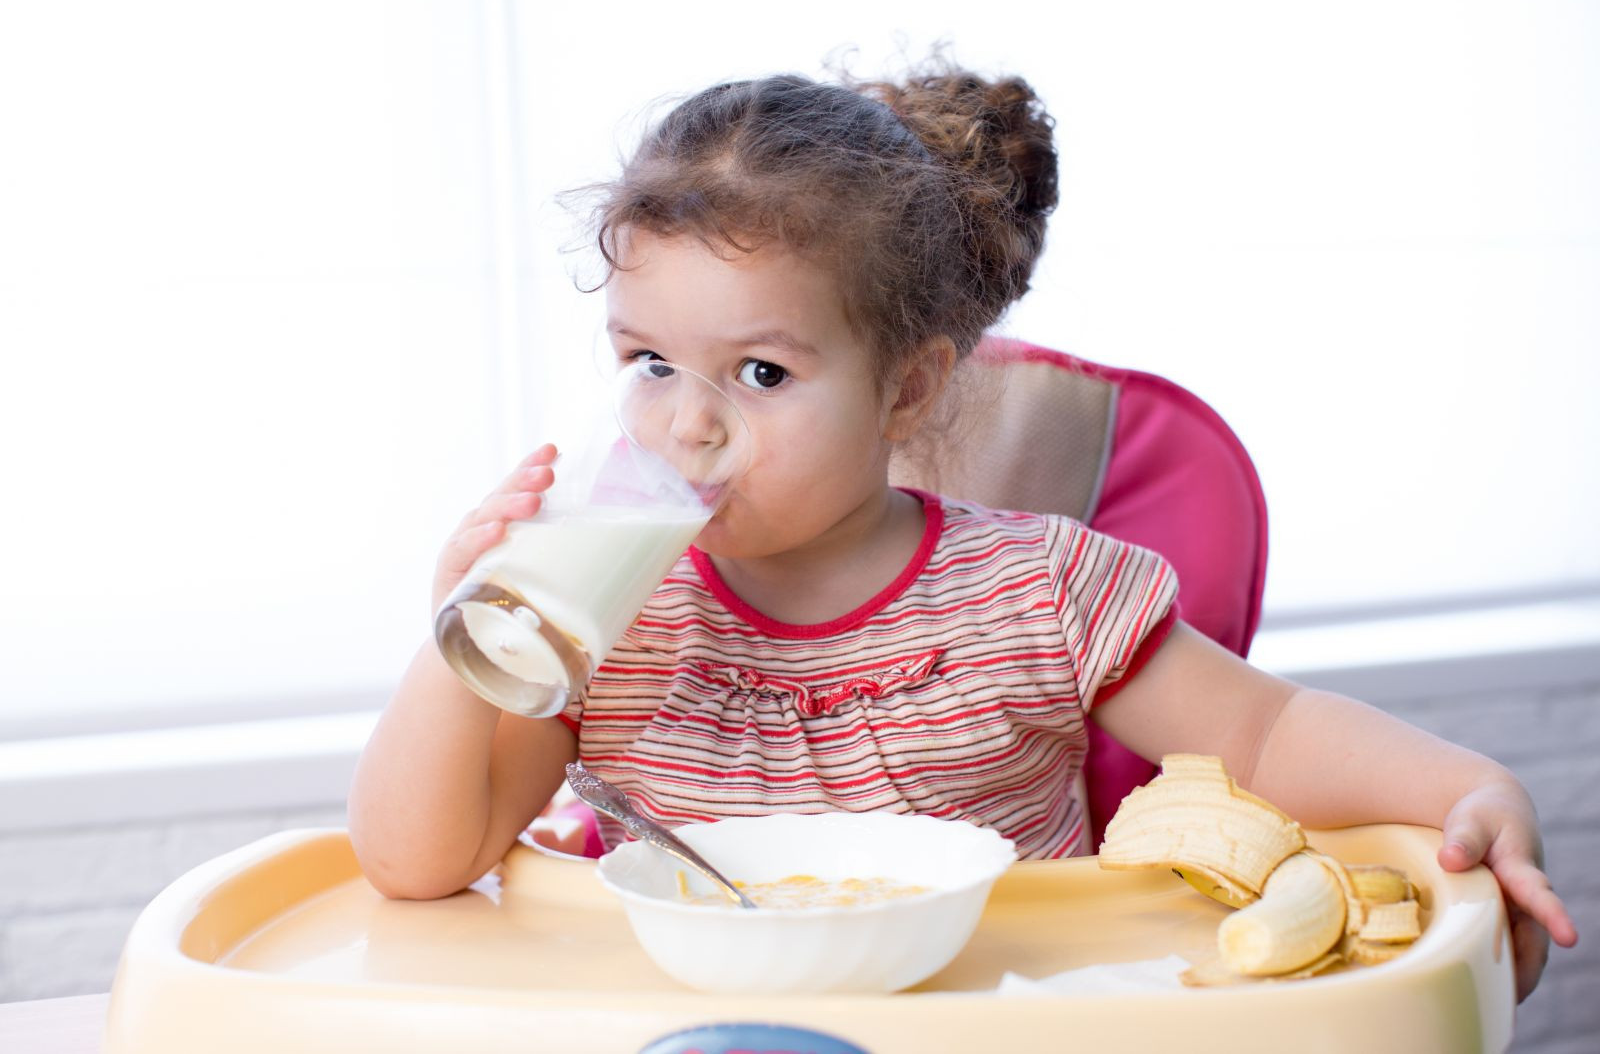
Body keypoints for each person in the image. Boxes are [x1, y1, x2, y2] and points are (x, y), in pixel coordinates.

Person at [347, 57, 1577, 1000]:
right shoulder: (606, 624)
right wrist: (471, 634)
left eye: (762, 373)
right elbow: (418, 861)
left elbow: (1270, 730)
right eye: (651, 361)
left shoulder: (1037, 592)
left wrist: (1470, 783)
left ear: (909, 387)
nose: (689, 427)